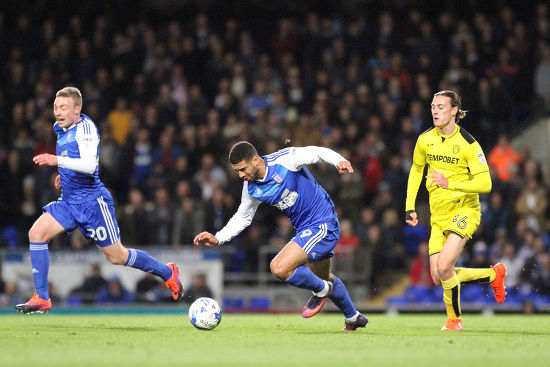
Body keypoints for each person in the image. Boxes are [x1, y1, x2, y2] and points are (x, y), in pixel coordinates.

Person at [15, 87, 183, 314]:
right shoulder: (60, 128)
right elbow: (72, 161)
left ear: (77, 109)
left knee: (117, 256)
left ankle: (167, 272)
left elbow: (89, 165)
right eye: (55, 107)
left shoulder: (86, 129)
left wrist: (57, 161)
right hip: (69, 201)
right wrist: (64, 177)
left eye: (63, 107)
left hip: (93, 204)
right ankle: (42, 298)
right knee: (36, 233)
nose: (58, 112)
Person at [194, 141, 368, 330]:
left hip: (323, 223)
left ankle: (322, 290)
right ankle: (353, 317)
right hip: (305, 229)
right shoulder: (251, 188)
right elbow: (243, 217)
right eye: (236, 171)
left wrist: (339, 160)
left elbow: (315, 152)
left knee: (279, 267)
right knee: (324, 276)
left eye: (243, 169)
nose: (240, 175)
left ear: (255, 159)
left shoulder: (285, 160)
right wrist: (219, 238)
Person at [405, 90, 507, 331]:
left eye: (441, 107)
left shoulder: (469, 144)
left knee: (444, 266)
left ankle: (454, 321)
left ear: (454, 111)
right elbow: (416, 170)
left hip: (465, 210)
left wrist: (451, 183)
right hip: (437, 216)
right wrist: (409, 205)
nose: (435, 111)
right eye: (432, 106)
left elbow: (486, 184)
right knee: (440, 277)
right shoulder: (424, 140)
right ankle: (494, 275)